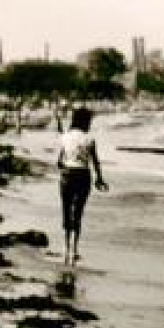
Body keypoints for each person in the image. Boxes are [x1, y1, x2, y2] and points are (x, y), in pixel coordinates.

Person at [57, 106, 108, 266]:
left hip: (67, 174)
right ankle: (75, 248)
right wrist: (100, 179)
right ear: (85, 121)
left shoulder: (64, 137)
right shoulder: (90, 139)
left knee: (66, 209)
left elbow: (59, 161)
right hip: (83, 176)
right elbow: (95, 162)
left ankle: (66, 247)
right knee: (78, 212)